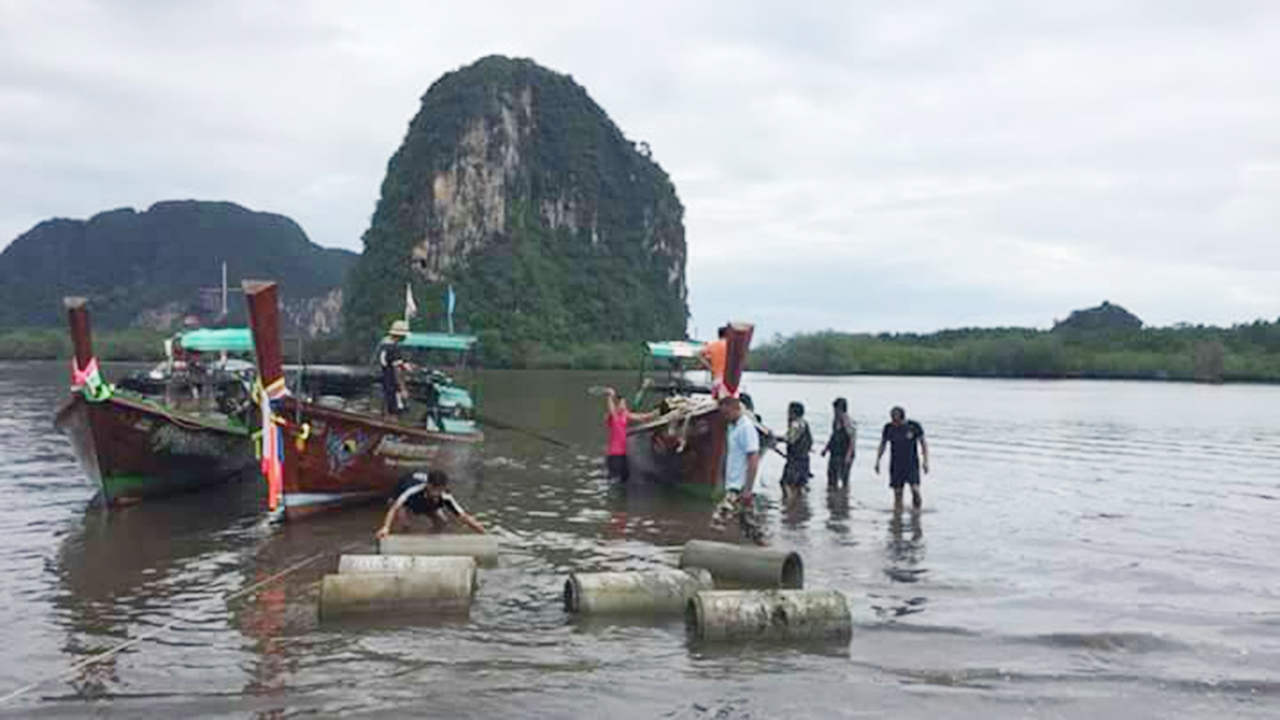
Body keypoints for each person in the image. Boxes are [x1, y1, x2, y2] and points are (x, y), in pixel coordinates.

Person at [710, 396, 766, 544]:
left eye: (726, 414)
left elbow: (753, 459)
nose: (724, 418)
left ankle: (714, 556)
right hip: (734, 484)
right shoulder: (732, 426)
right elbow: (730, 456)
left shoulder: (746, 427)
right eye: (722, 415)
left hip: (741, 487)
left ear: (736, 409)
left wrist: (747, 489)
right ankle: (762, 552)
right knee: (750, 527)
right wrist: (721, 480)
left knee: (718, 520)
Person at [375, 469, 485, 538]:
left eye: (440, 490)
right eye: (434, 489)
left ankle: (428, 539)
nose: (437, 493)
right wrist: (385, 528)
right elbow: (394, 508)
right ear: (428, 485)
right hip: (403, 491)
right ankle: (404, 541)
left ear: (444, 487)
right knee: (405, 524)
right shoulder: (414, 490)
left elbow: (463, 516)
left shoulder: (445, 495)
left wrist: (481, 530)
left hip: (425, 501)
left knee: (442, 522)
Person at [875, 406, 930, 511]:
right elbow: (883, 444)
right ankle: (897, 518)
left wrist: (925, 461)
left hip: (911, 464)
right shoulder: (888, 428)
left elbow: (923, 444)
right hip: (896, 464)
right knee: (898, 494)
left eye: (896, 420)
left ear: (902, 418)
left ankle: (917, 513)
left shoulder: (914, 426)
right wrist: (878, 461)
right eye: (893, 419)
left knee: (915, 490)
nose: (895, 423)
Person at [603, 387, 657, 482]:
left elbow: (641, 417)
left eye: (625, 403)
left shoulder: (625, 414)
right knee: (615, 480)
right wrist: (610, 396)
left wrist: (656, 412)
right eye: (622, 404)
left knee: (625, 479)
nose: (624, 406)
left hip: (623, 454)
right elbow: (611, 408)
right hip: (614, 455)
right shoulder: (613, 416)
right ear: (617, 405)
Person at [779, 401, 813, 501]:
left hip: (795, 461)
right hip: (804, 460)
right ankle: (800, 506)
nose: (787, 413)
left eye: (789, 411)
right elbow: (810, 441)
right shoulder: (804, 423)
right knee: (799, 485)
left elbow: (790, 439)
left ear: (793, 412)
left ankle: (789, 505)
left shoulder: (796, 424)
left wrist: (775, 438)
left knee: (785, 483)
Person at [820, 398, 856, 490]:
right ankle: (832, 498)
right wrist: (826, 448)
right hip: (835, 452)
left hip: (844, 452)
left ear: (841, 409)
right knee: (831, 475)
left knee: (844, 478)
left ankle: (844, 498)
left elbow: (852, 438)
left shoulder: (847, 420)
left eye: (836, 409)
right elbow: (833, 435)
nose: (834, 411)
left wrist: (848, 455)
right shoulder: (835, 420)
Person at [379, 320, 412, 417]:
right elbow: (397, 371)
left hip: (385, 382)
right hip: (392, 385)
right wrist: (403, 389)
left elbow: (389, 363)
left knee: (389, 410)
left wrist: (405, 365)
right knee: (395, 412)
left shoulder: (384, 346)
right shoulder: (394, 349)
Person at [699, 326, 729, 398]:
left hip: (716, 377)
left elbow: (700, 354)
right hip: (729, 379)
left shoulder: (712, 345)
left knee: (715, 400)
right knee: (727, 401)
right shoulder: (730, 345)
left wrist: (709, 367)